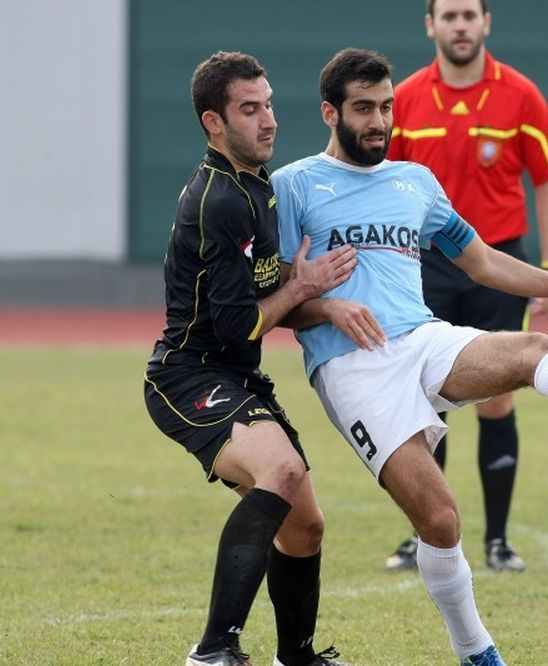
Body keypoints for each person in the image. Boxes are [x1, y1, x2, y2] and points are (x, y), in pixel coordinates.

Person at [269, 47, 548, 666]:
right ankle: (474, 649)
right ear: (331, 113)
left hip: (423, 340)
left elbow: (480, 260)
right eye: (364, 109)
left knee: (534, 348)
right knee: (442, 521)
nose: (379, 121)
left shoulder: (415, 182)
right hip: (352, 367)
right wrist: (327, 308)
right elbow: (270, 300)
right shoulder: (293, 186)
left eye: (387, 107)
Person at [143, 51, 353, 666]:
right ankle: (213, 650)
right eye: (249, 109)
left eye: (269, 105)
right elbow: (241, 323)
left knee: (305, 526)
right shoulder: (220, 199)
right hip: (188, 376)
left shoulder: (256, 185)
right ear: (214, 121)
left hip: (236, 376)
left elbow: (263, 287)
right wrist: (305, 287)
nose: (268, 121)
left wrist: (309, 290)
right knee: (281, 473)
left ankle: (298, 655)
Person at [384, 0, 548, 573]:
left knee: (497, 397)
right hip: (427, 265)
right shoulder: (407, 99)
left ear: (486, 23)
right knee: (422, 403)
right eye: (449, 15)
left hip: (500, 264)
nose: (460, 24)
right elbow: (382, 188)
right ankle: (424, 535)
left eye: (470, 14)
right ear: (430, 26)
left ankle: (498, 541)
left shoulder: (521, 95)